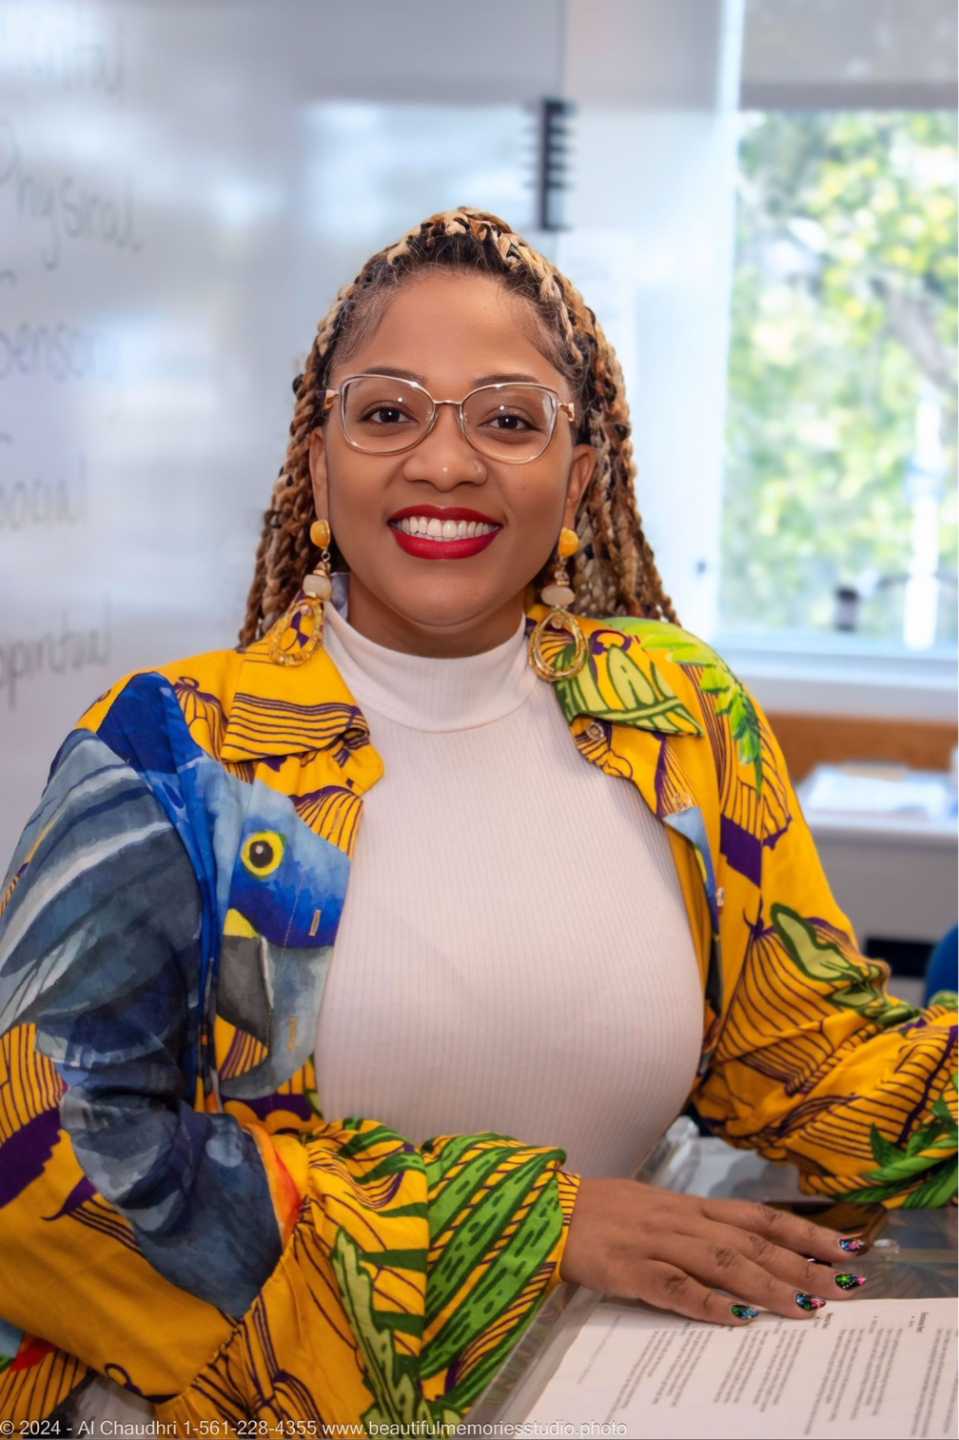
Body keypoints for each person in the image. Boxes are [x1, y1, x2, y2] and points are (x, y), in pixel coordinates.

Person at [0, 207, 955, 1434]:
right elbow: (39, 1163)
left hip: (622, 1393)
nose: (444, 464)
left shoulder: (674, 716)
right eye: (387, 413)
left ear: (579, 475)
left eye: (507, 420)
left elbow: (812, 1057)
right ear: (317, 461)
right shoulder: (174, 748)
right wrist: (535, 1224)